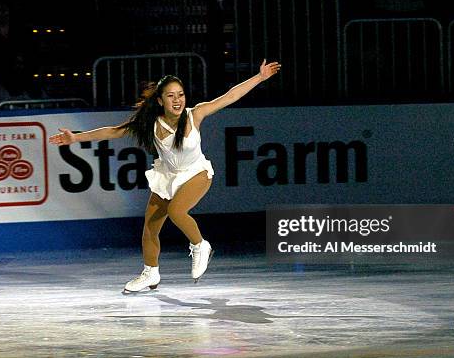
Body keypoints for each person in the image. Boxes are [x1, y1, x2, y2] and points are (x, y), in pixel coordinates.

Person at [49, 59, 281, 293]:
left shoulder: (195, 114)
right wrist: (76, 138)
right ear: (160, 100)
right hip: (168, 176)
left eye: (180, 94)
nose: (177, 100)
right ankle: (151, 273)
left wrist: (259, 77)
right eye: (171, 96)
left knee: (176, 211)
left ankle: (201, 245)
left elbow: (230, 96)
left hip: (196, 173)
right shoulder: (150, 124)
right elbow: (113, 131)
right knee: (150, 229)